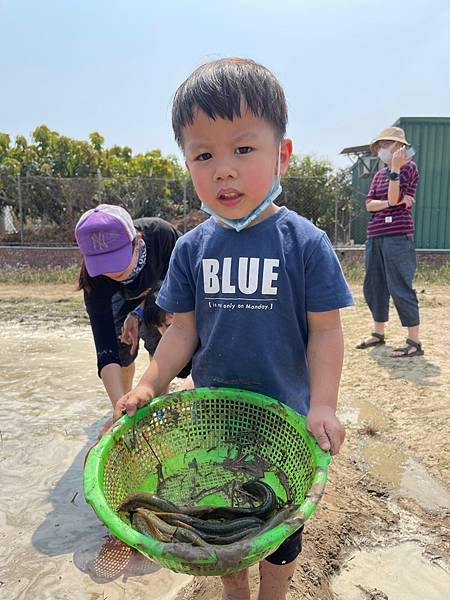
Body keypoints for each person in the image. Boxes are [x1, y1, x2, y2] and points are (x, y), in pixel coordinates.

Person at [113, 58, 354, 600]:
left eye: (243, 149)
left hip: (286, 420)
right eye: (204, 154)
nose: (223, 169)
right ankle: (234, 591)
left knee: (280, 531)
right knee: (220, 516)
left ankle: (273, 592)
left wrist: (324, 404)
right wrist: (150, 383)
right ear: (187, 164)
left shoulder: (306, 244)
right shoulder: (193, 249)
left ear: (281, 155)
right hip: (214, 416)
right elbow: (181, 333)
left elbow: (325, 333)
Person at [75, 204, 182, 414]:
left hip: (160, 287)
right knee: (121, 347)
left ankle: (161, 401)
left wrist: (141, 311)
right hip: (121, 298)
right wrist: (120, 405)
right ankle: (126, 401)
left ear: (137, 241)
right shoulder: (95, 280)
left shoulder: (162, 236)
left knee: (158, 332)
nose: (111, 270)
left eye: (116, 259)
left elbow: (185, 284)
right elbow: (105, 350)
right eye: (102, 264)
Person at [356, 127, 423, 357]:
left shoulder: (409, 170)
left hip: (398, 236)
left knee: (400, 285)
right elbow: (369, 204)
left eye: (387, 145)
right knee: (374, 284)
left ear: (399, 147)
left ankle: (414, 342)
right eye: (381, 146)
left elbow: (393, 196)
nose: (383, 150)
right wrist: (389, 203)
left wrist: (395, 170)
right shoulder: (378, 175)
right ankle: (378, 333)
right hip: (375, 235)